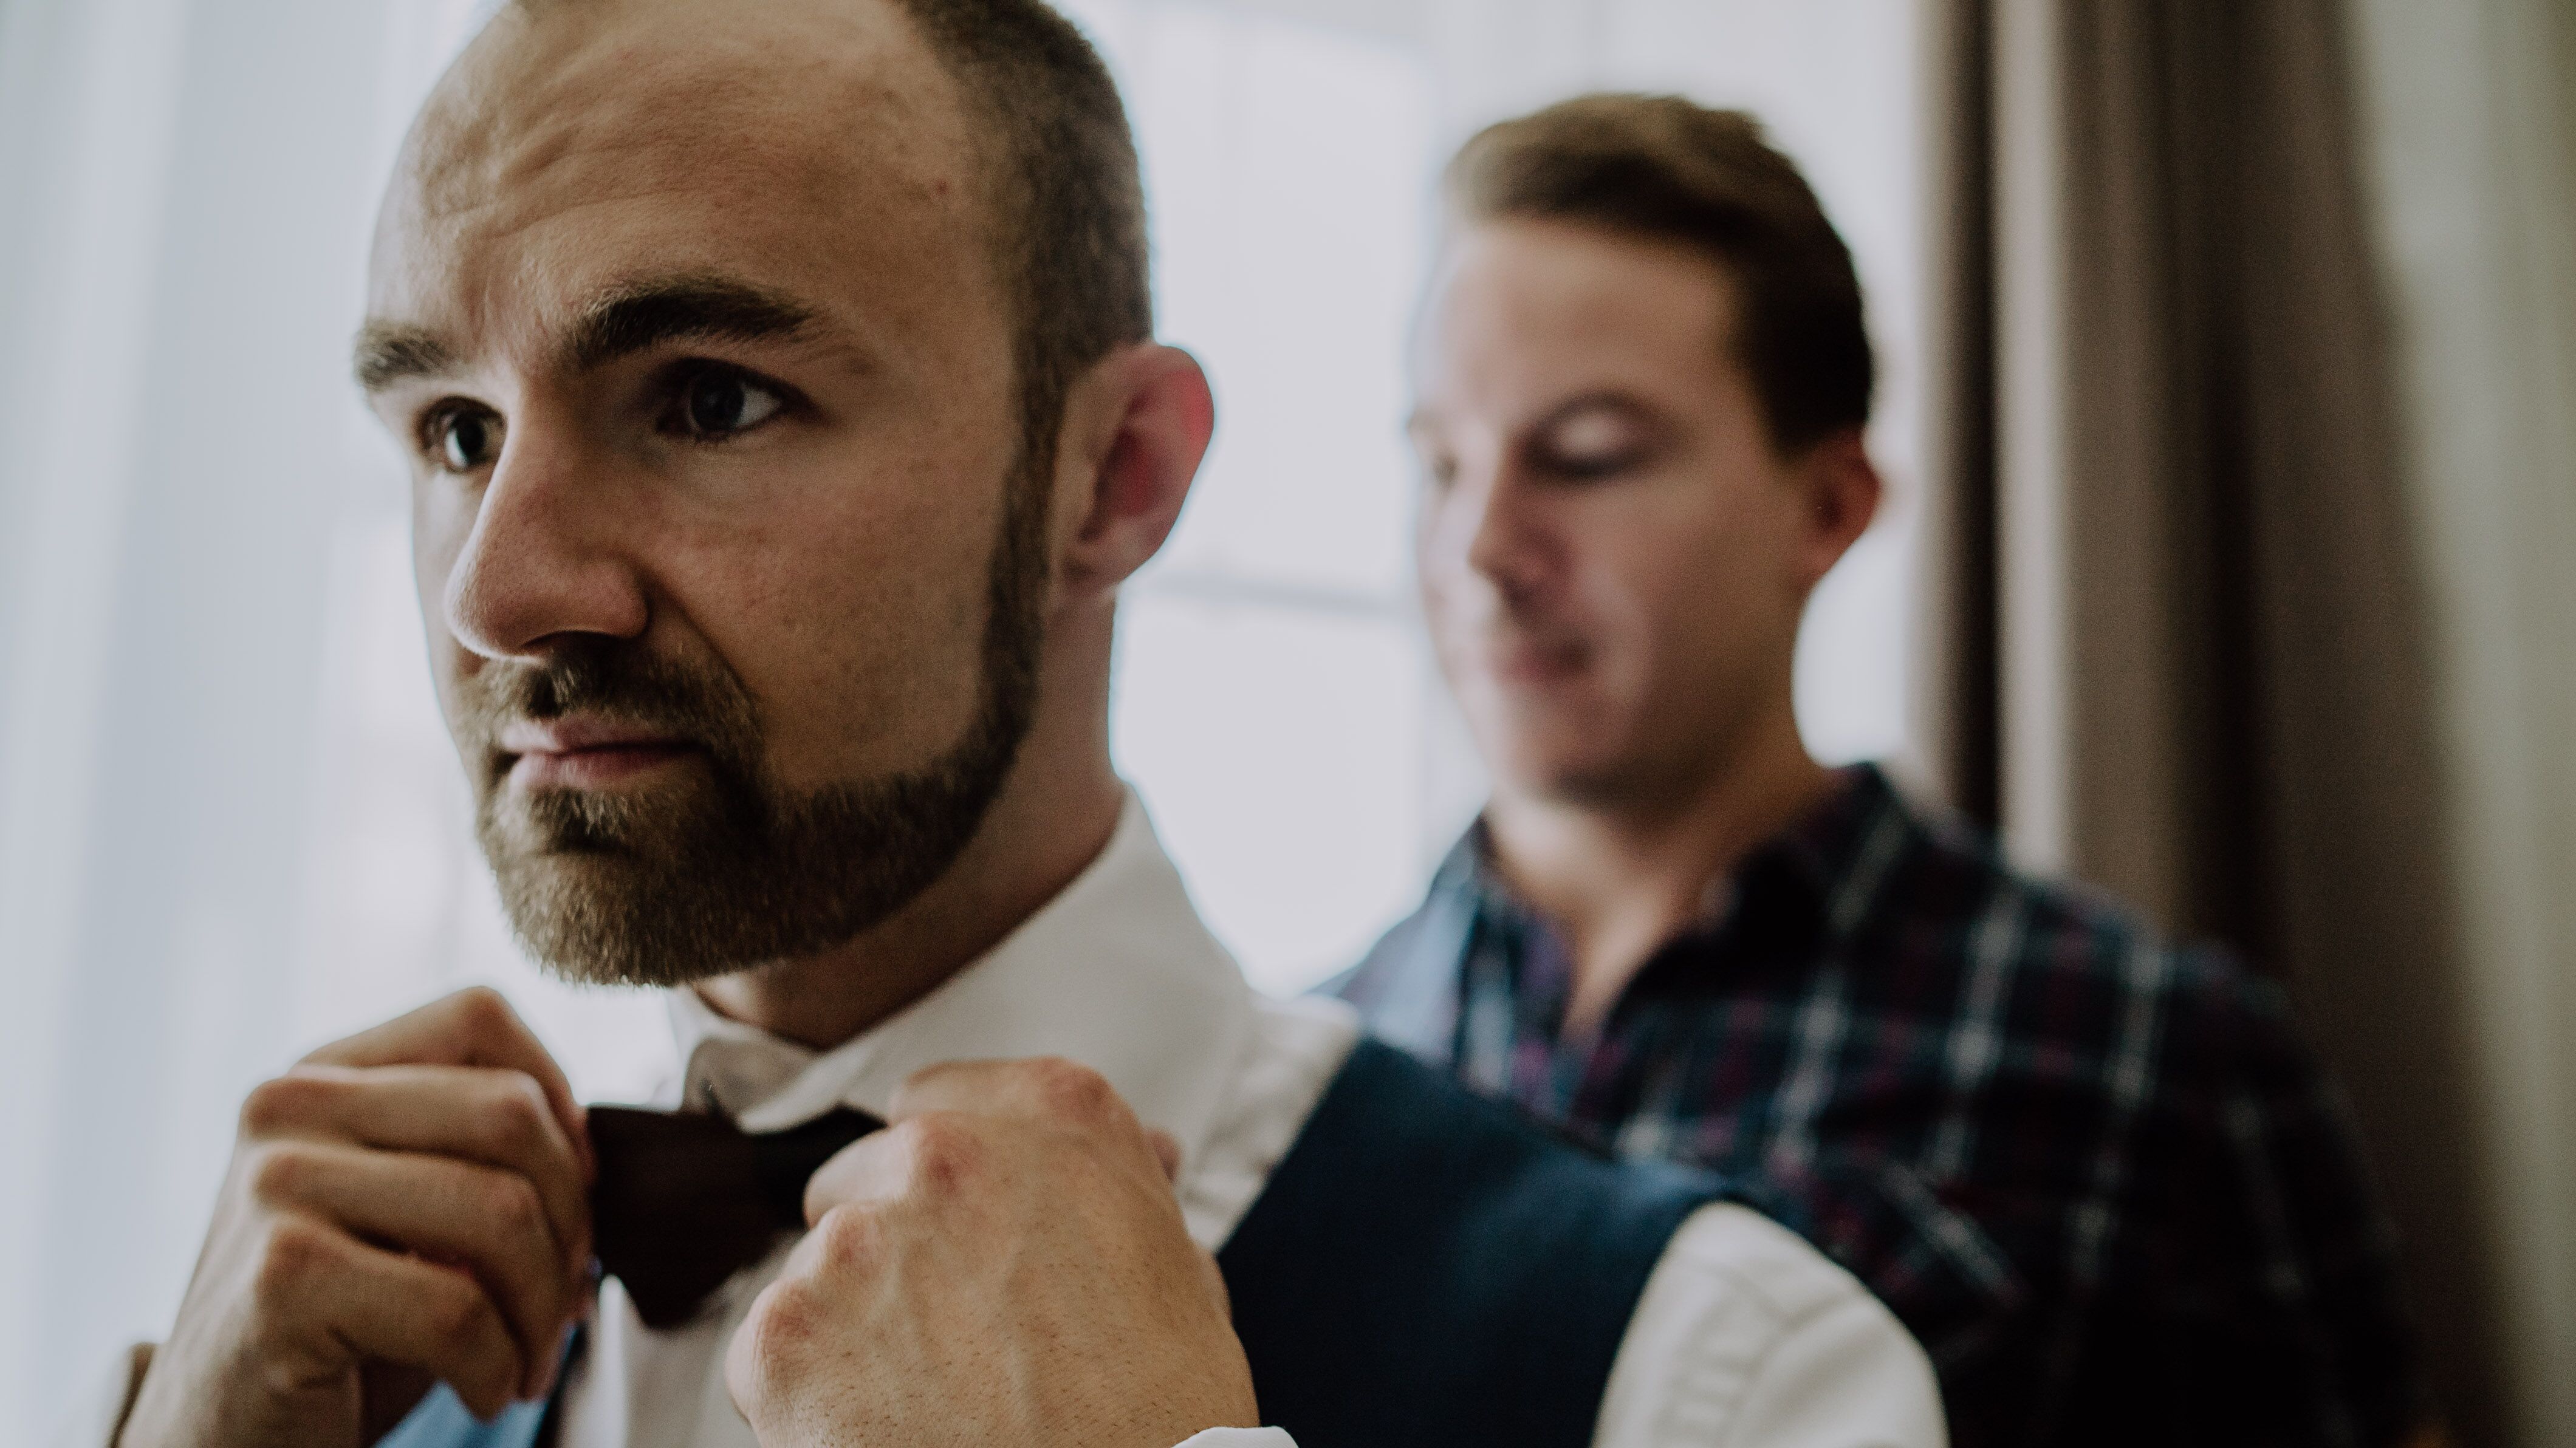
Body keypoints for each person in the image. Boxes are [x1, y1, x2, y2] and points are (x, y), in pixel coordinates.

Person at [92, 7, 1945, 1448]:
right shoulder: (327, 1359)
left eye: (710, 398)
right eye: (453, 432)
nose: (493, 594)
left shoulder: (1715, 1375)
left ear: (1114, 478)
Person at [1333, 94, 2433, 1448]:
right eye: (1439, 462)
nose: (1481, 545)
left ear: (1828, 506)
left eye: (1588, 454)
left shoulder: (2164, 1062)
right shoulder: (1310, 1063)